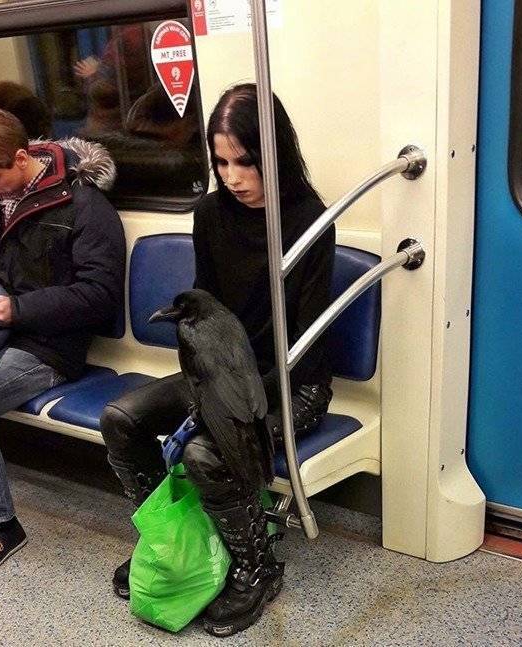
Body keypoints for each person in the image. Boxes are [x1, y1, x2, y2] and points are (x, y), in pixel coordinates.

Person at [100, 83, 335, 635]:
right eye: (221, 162)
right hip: (218, 373)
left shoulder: (310, 220)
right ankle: (177, 538)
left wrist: (228, 407)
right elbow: (204, 310)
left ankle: (258, 565)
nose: (232, 177)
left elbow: (306, 344)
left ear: (274, 154)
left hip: (289, 383)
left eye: (246, 162)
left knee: (206, 452)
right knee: (121, 420)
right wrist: (208, 388)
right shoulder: (209, 213)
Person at [0, 105, 125, 581]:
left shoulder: (85, 207)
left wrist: (20, 309)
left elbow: (100, 296)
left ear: (20, 157)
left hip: (51, 344)